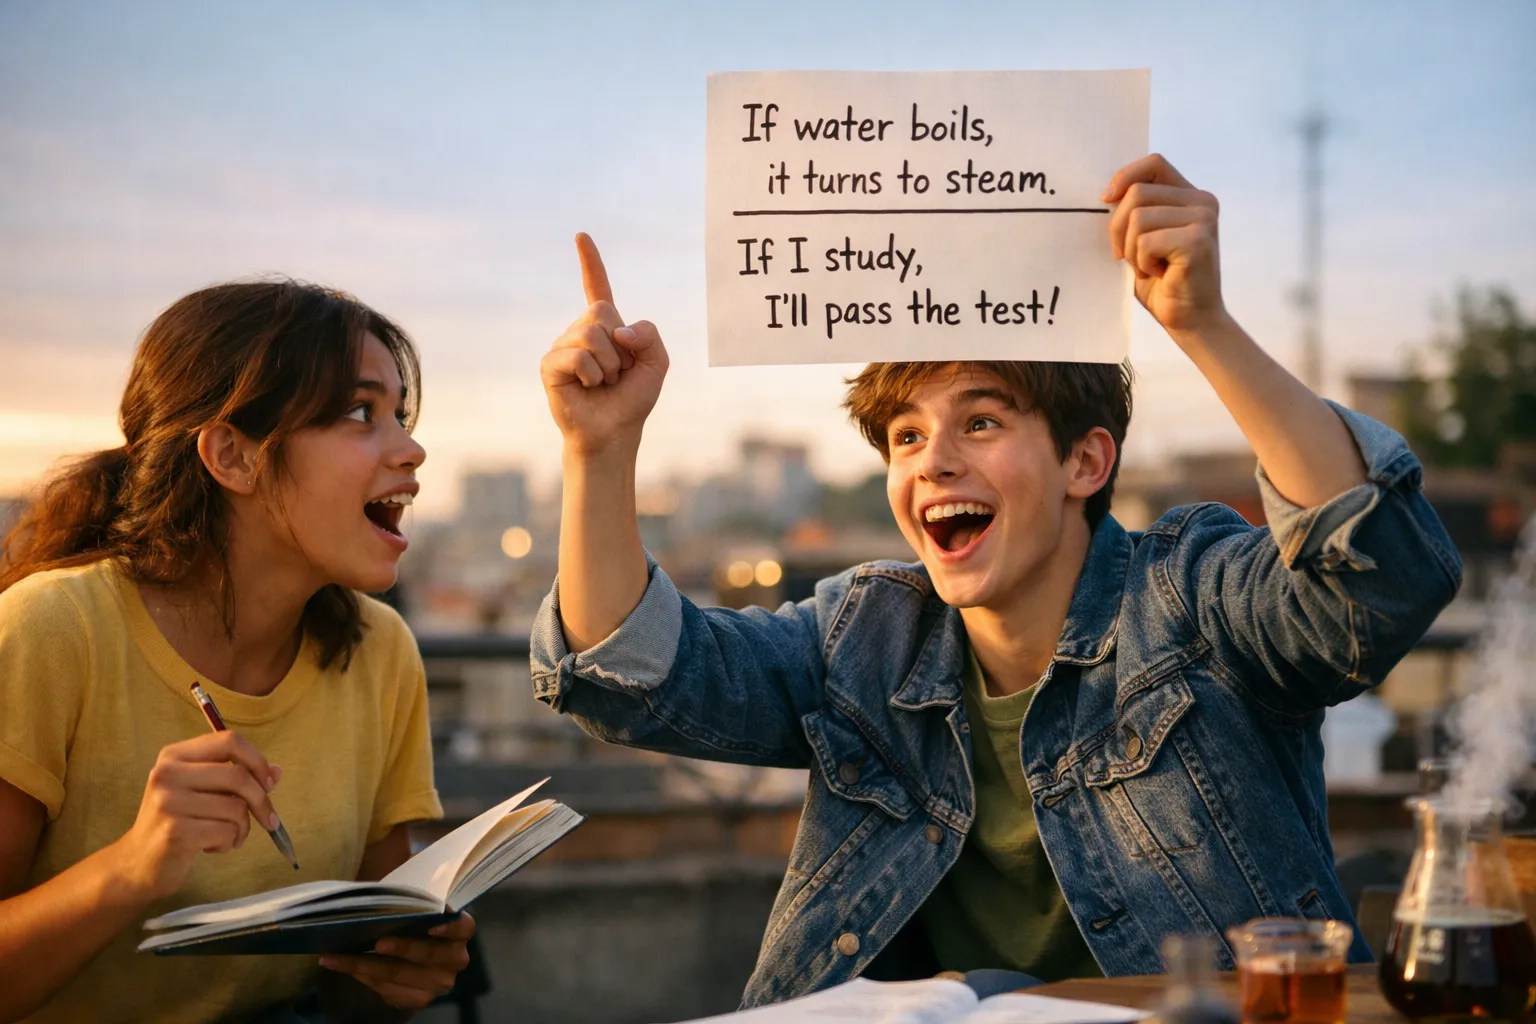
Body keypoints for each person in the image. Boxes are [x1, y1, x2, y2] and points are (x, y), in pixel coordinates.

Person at [532, 153, 1463, 1008]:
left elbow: (1377, 580)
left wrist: (1202, 323)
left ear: (1085, 463)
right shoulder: (862, 635)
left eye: (980, 422)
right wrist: (598, 451)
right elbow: (635, 675)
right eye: (906, 435)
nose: (933, 460)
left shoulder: (1188, 595)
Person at [0, 282, 474, 1023]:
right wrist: (133, 866)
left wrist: (399, 973)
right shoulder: (51, 630)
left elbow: (351, 988)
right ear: (234, 456)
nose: (412, 449)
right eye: (361, 412)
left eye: (401, 417)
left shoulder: (380, 653)